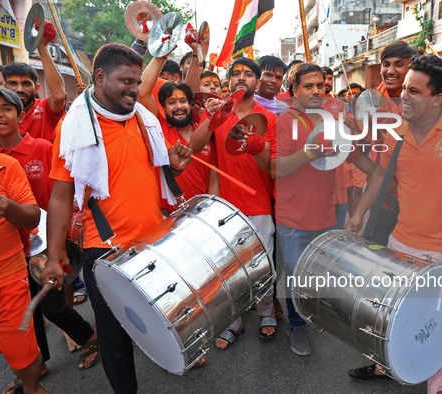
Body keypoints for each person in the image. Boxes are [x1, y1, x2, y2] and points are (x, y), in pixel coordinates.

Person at [345, 55, 442, 394]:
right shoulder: (396, 134)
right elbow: (379, 178)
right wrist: (359, 213)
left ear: (438, 98)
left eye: (413, 90)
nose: (403, 95)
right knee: (390, 313)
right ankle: (384, 365)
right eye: (404, 88)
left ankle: (437, 385)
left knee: (437, 322)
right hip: (399, 243)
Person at [40, 43, 192, 394]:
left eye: (137, 82)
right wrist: (52, 255)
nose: (134, 89)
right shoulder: (74, 127)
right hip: (104, 251)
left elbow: (147, 172)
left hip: (154, 240)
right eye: (126, 81)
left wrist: (171, 165)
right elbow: (61, 196)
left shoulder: (142, 117)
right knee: (115, 338)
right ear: (99, 77)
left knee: (164, 316)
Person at [0, 86, 99, 374]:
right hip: (11, 251)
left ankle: (88, 336)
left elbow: (61, 195)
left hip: (46, 240)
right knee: (29, 312)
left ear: (21, 115)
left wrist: (61, 240)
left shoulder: (43, 148)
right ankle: (37, 368)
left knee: (52, 305)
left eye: (6, 108)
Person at [271, 62, 376, 356]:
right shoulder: (284, 121)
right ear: (294, 92)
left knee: (323, 275)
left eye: (321, 86)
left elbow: (367, 165)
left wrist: (362, 207)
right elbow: (275, 169)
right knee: (295, 278)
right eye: (308, 86)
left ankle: (317, 316)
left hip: (328, 217)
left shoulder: (334, 122)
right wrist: (309, 153)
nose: (316, 91)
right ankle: (296, 325)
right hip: (293, 220)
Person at [192, 57, 277, 349]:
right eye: (236, 73)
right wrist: (210, 117)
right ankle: (233, 321)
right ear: (228, 80)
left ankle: (267, 312)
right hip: (226, 210)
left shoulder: (269, 117)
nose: (242, 78)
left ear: (258, 81)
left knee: (262, 266)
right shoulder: (217, 113)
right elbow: (196, 149)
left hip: (260, 206)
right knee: (227, 272)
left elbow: (271, 168)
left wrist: (257, 146)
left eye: (248, 74)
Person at [0, 150, 47, 394]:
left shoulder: (3, 165)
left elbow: (32, 218)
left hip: (6, 279)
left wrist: (7, 208)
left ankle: (32, 388)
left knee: (25, 359)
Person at [139, 55, 220, 202]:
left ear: (190, 105)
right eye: (172, 102)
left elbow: (214, 177)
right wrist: (161, 55)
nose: (179, 107)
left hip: (201, 215)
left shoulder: (204, 131)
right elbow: (142, 93)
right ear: (163, 109)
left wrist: (210, 210)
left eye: (183, 101)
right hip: (166, 217)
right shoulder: (159, 128)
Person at [3, 22, 65, 142]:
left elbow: (59, 96)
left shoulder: (45, 109)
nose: (19, 89)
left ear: (36, 88)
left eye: (26, 83)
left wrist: (42, 46)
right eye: (13, 83)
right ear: (5, 87)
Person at [377, 40, 419, 113]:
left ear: (412, 69)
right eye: (386, 65)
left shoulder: (424, 101)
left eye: (398, 65)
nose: (390, 71)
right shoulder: (371, 102)